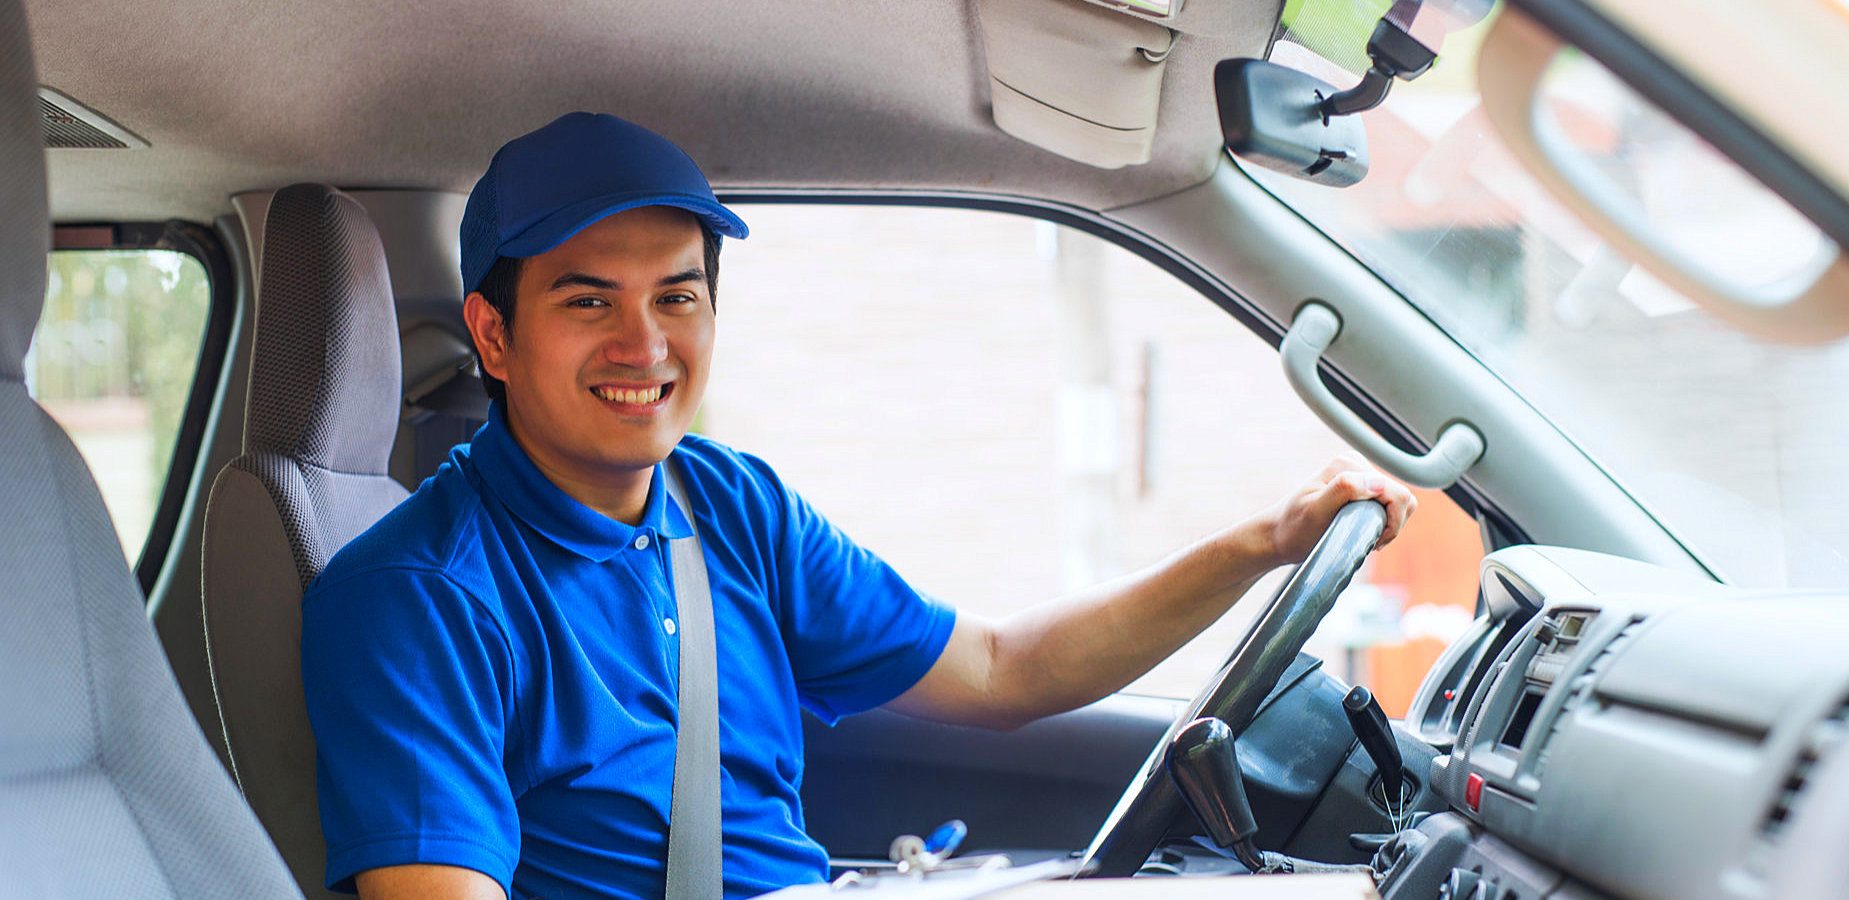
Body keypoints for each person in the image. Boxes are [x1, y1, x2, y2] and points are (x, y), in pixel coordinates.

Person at [301, 112, 1417, 900]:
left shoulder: (727, 501)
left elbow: (999, 669)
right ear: (494, 335)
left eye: (676, 297)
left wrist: (1259, 546)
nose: (643, 344)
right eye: (589, 300)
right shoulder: (414, 599)